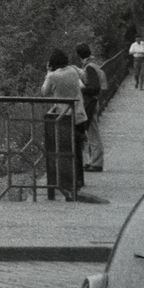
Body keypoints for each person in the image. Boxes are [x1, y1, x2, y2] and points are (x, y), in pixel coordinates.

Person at [41, 49, 85, 198]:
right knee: (77, 147)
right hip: (78, 112)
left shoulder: (53, 76)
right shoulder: (73, 70)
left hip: (62, 115)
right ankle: (79, 179)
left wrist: (47, 72)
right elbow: (83, 76)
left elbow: (45, 92)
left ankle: (65, 181)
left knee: (63, 148)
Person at [76, 43, 106, 174]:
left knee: (93, 133)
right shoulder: (93, 65)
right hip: (94, 101)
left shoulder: (89, 68)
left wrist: (82, 89)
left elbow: (94, 88)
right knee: (90, 131)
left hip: (91, 102)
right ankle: (92, 160)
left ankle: (97, 162)